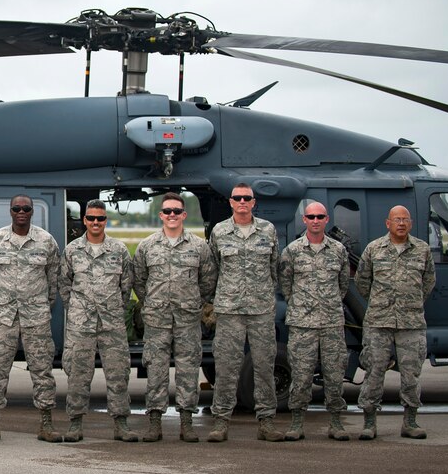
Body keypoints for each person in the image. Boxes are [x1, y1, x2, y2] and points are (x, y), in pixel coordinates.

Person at [133, 192, 217, 443]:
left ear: (184, 215)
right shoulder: (147, 246)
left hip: (188, 319)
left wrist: (192, 303)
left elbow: (208, 280)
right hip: (157, 319)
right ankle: (155, 422)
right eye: (167, 211)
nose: (172, 215)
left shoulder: (198, 246)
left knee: (188, 370)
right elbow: (139, 281)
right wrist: (152, 303)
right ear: (161, 215)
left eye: (176, 211)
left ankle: (187, 422)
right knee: (156, 370)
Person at [0, 194, 62, 443]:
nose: (21, 212)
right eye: (17, 208)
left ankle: (46, 424)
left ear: (32, 211)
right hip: (3, 317)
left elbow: (53, 281)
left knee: (42, 371)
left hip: (35, 317)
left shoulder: (46, 242)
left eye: (26, 208)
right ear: (10, 211)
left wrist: (38, 304)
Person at [206, 183, 284, 443]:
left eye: (246, 198)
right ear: (230, 202)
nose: (242, 201)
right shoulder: (220, 231)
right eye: (237, 198)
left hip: (260, 310)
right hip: (229, 310)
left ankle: (266, 423)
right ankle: (221, 422)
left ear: (253, 202)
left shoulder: (267, 230)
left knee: (264, 366)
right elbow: (213, 270)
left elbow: (275, 268)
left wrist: (263, 294)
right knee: (227, 367)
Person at [356, 205, 435, 440]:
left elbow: (428, 281)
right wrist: (381, 302)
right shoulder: (374, 249)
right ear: (387, 223)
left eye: (405, 220)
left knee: (411, 373)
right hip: (379, 321)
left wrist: (411, 301)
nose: (401, 223)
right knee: (374, 370)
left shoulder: (422, 250)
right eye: (396, 219)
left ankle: (410, 422)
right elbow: (362, 282)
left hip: (411, 322)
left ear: (410, 224)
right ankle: (369, 422)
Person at [59, 200, 136, 443]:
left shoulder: (119, 250)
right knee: (78, 373)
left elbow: (127, 287)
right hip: (80, 323)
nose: (95, 222)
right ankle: (75, 423)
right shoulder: (72, 250)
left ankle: (121, 424)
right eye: (91, 218)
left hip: (111, 323)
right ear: (84, 220)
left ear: (106, 221)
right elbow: (64, 285)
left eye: (100, 219)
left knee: (118, 373)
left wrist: (112, 308)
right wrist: (79, 310)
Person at [278, 201, 350, 441]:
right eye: (311, 217)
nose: (316, 220)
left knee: (334, 374)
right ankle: (297, 422)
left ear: (326, 220)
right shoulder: (292, 251)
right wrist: (303, 306)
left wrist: (326, 305)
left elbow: (343, 286)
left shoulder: (339, 250)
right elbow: (286, 285)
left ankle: (336, 422)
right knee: (300, 375)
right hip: (302, 325)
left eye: (320, 216)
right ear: (305, 220)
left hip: (331, 324)